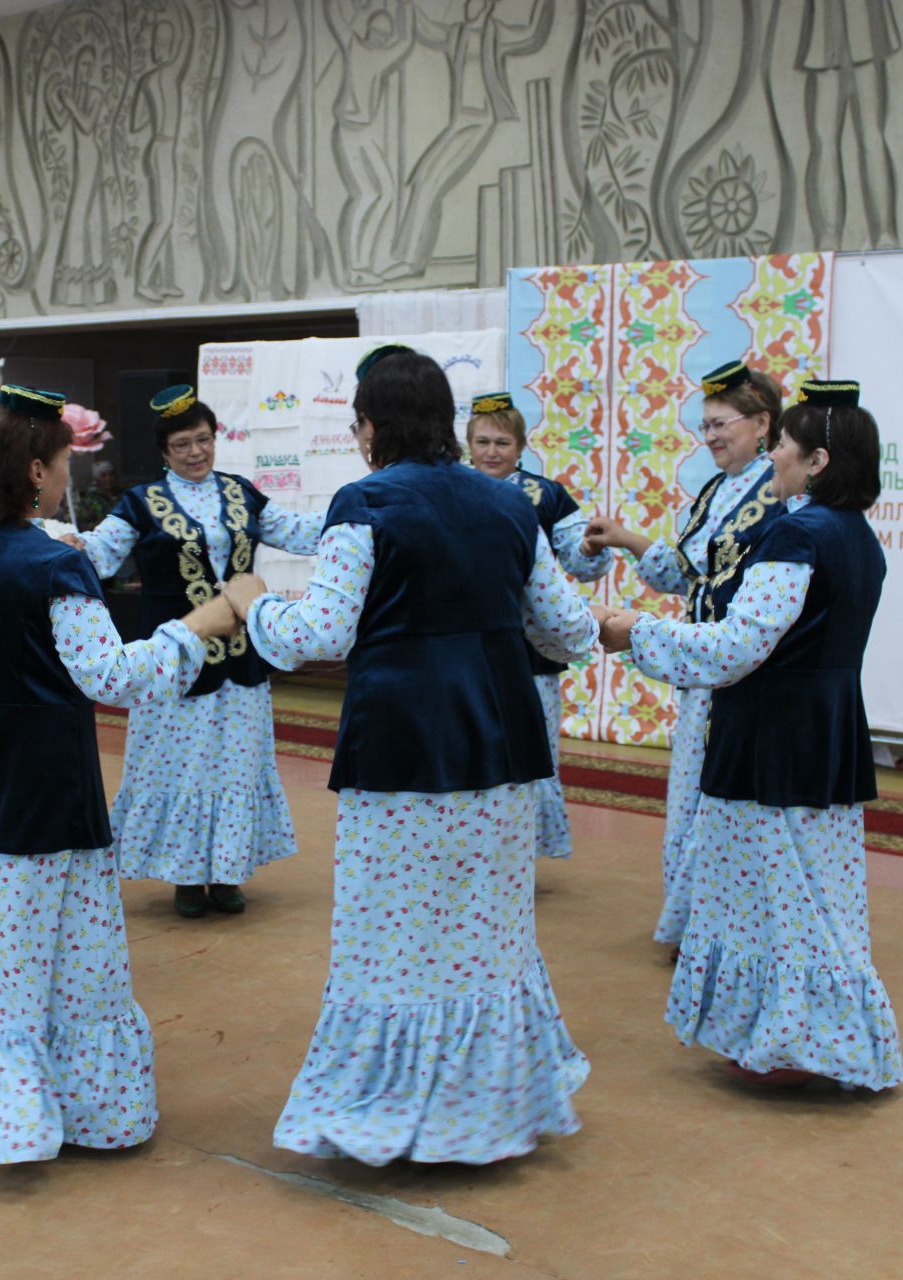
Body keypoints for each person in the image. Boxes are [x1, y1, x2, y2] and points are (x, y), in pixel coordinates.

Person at [243, 350, 599, 1166]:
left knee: (391, 934)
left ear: (370, 427)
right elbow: (569, 631)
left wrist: (258, 610)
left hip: (402, 743)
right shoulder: (510, 508)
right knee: (488, 931)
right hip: (500, 744)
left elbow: (323, 634)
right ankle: (487, 1109)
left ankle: (393, 1106)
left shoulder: (364, 502)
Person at [0, 383, 240, 1165]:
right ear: (36, 471)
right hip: (41, 784)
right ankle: (77, 1114)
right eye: (64, 462)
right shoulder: (52, 566)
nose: (69, 476)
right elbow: (110, 675)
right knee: (73, 952)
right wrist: (204, 621)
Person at [597, 380, 903, 1090]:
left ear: (818, 460)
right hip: (824, 733)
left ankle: (797, 1043)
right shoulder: (858, 536)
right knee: (816, 894)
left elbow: (737, 647)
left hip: (772, 738)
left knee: (777, 898)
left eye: (787, 446)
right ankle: (800, 1037)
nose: (777, 457)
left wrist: (635, 630)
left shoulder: (797, 534)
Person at [76, 385, 322, 918]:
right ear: (164, 451)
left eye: (204, 440)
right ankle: (187, 879)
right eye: (183, 444)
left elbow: (301, 533)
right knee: (178, 767)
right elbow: (100, 553)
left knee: (236, 767)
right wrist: (55, 538)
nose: (196, 452)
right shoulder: (139, 503)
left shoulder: (242, 493)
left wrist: (359, 514)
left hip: (240, 660)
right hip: (176, 658)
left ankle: (226, 872)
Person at [584, 360, 788, 949]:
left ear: (761, 424)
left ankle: (725, 928)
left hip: (743, 668)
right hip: (703, 671)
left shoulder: (780, 493)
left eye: (721, 424)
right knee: (692, 798)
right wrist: (624, 538)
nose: (711, 437)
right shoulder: (716, 490)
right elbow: (687, 575)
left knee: (725, 801)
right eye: (705, 426)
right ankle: (698, 921)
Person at [464, 390, 611, 861]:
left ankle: (521, 851)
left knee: (530, 744)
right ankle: (469, 845)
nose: (491, 452)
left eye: (502, 443)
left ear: (521, 446)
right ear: (467, 445)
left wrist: (589, 549)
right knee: (471, 740)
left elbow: (582, 559)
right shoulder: (454, 492)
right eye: (482, 441)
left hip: (532, 650)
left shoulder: (547, 496)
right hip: (463, 645)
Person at [74, 459, 123, 530]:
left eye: (111, 475)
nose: (108, 478)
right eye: (104, 476)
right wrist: (98, 524)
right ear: (97, 479)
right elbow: (81, 525)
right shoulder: (88, 501)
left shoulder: (123, 496)